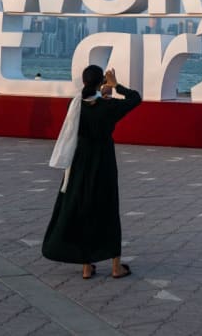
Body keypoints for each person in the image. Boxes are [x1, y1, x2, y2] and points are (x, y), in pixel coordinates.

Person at [42, 66, 141, 280]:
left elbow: (89, 101)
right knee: (108, 209)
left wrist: (101, 93)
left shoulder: (75, 104)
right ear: (101, 82)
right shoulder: (109, 106)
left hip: (79, 162)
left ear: (83, 81)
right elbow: (135, 98)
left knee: (84, 208)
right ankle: (116, 267)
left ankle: (87, 266)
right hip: (103, 160)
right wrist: (116, 85)